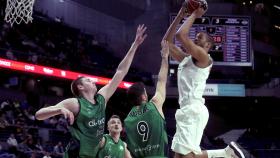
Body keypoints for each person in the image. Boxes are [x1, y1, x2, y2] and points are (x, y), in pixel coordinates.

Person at [35, 24, 147, 158]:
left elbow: (120, 72)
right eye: (88, 80)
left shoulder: (101, 99)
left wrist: (134, 45)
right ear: (80, 87)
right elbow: (38, 115)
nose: (92, 81)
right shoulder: (75, 103)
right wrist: (59, 110)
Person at [162, 2, 245, 158]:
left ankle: (226, 153)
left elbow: (181, 35)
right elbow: (166, 43)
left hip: (193, 110)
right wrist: (180, 14)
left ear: (207, 45)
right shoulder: (187, 59)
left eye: (199, 38)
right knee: (179, 156)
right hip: (186, 110)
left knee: (188, 156)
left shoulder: (204, 58)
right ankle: (226, 153)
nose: (195, 39)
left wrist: (194, 14)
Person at [124, 40, 170, 157]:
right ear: (144, 96)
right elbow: (161, 80)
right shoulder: (154, 104)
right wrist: (165, 58)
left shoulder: (127, 121)